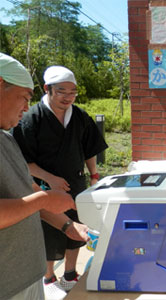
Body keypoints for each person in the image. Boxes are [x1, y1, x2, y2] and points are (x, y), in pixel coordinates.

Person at [11, 66, 108, 299]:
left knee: (77, 227)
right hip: (43, 186)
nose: (68, 97)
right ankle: (48, 276)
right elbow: (23, 160)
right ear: (47, 89)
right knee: (48, 231)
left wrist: (93, 176)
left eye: (72, 92)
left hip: (75, 182)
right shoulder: (31, 118)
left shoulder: (80, 116)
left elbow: (90, 149)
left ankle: (70, 273)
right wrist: (48, 178)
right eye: (62, 91)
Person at [0, 54, 89, 300]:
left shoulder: (5, 138)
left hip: (26, 277)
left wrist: (68, 225)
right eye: (24, 97)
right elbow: (35, 199)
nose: (26, 107)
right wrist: (44, 199)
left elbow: (26, 192)